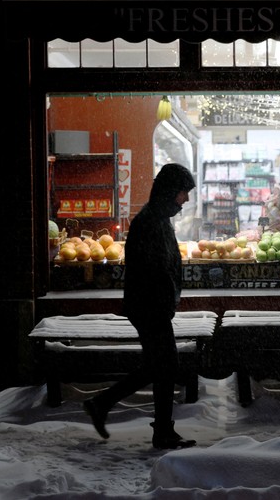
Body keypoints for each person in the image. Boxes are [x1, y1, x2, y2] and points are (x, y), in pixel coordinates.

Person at [83, 163, 197, 450]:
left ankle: (102, 404)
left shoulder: (158, 218)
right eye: (183, 192)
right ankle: (162, 432)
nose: (186, 199)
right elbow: (153, 270)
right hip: (149, 307)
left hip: (151, 305)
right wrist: (164, 301)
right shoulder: (149, 222)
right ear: (170, 191)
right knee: (166, 366)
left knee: (157, 366)